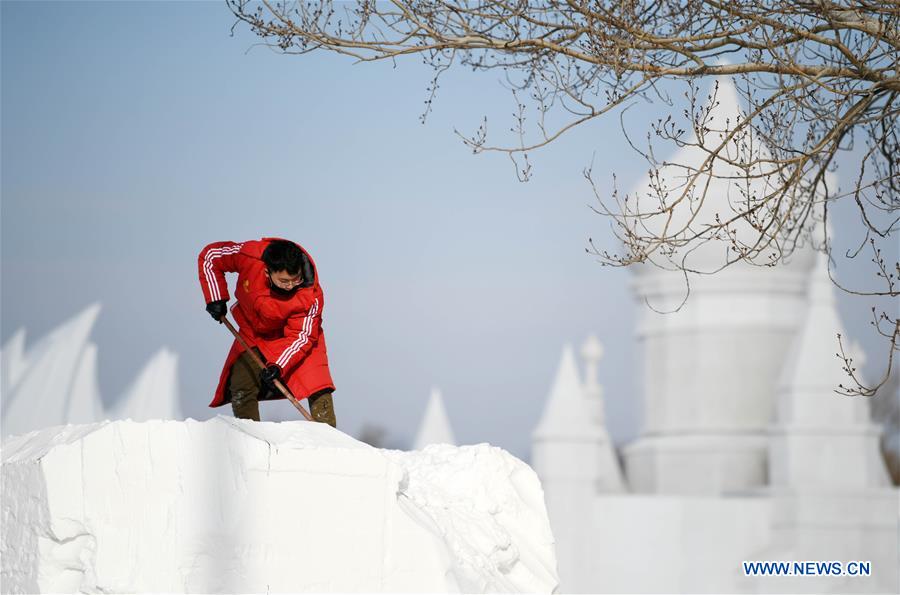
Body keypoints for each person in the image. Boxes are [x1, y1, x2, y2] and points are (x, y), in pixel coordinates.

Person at [197, 237, 336, 426]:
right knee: (241, 385)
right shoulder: (250, 255)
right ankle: (251, 438)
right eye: (284, 281)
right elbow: (210, 257)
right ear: (267, 272)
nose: (291, 286)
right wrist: (216, 297)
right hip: (254, 333)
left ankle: (328, 444)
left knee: (318, 387)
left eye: (297, 279)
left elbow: (301, 337)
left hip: (296, 340)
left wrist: (278, 366)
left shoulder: (311, 296)